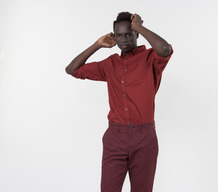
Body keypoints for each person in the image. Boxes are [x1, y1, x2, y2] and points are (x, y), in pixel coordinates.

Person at [65, 12, 173, 192]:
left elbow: (165, 50)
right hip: (115, 137)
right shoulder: (109, 64)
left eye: (129, 34)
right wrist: (97, 45)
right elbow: (72, 69)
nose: (124, 39)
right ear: (114, 37)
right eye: (119, 35)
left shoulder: (150, 59)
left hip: (144, 137)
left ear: (136, 35)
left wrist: (138, 26)